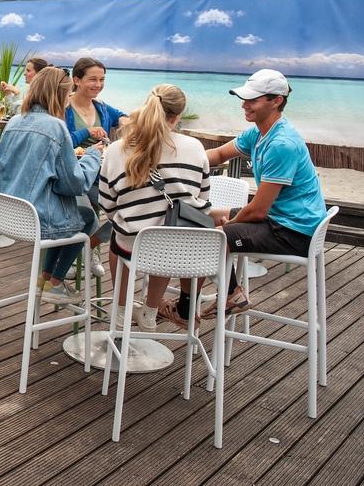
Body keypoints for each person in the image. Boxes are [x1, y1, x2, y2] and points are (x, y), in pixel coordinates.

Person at [196, 69, 326, 320]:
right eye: (244, 99)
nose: (244, 105)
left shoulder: (281, 144)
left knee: (213, 238)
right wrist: (181, 160)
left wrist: (232, 224)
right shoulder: (258, 132)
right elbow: (219, 155)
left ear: (276, 101)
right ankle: (232, 291)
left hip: (293, 232)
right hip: (279, 218)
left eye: (253, 100)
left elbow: (257, 211)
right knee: (203, 216)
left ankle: (188, 305)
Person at [99, 84, 214, 331]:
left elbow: (107, 205)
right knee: (166, 233)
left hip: (134, 246)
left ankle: (120, 313)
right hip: (181, 250)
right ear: (177, 117)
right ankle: (150, 313)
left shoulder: (116, 149)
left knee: (122, 234)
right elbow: (202, 200)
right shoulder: (195, 148)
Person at [0, 67, 103, 303]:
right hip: (37, 219)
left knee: (71, 215)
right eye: (68, 94)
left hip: (8, 215)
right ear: (59, 94)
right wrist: (94, 155)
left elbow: (0, 167)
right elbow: (75, 185)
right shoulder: (55, 126)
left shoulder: (14, 121)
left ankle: (45, 278)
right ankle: (54, 283)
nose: (69, 100)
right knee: (89, 218)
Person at [65, 56, 129, 280]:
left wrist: (123, 122)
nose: (98, 85)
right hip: (74, 174)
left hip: (101, 174)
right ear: (76, 80)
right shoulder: (64, 107)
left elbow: (122, 117)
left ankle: (89, 247)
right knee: (89, 214)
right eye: (92, 79)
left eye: (102, 79)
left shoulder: (102, 108)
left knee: (125, 213)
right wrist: (87, 133)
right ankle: (71, 255)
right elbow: (60, 142)